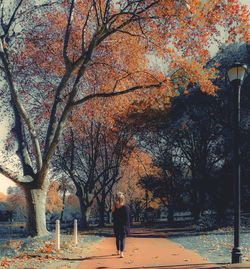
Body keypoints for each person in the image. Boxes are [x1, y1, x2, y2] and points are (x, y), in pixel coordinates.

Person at [112, 192, 130, 258]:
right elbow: (127, 219)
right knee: (122, 239)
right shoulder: (126, 207)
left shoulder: (114, 207)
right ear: (123, 199)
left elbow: (113, 218)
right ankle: (121, 253)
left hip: (116, 225)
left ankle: (118, 250)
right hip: (123, 226)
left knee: (117, 238)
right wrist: (127, 228)